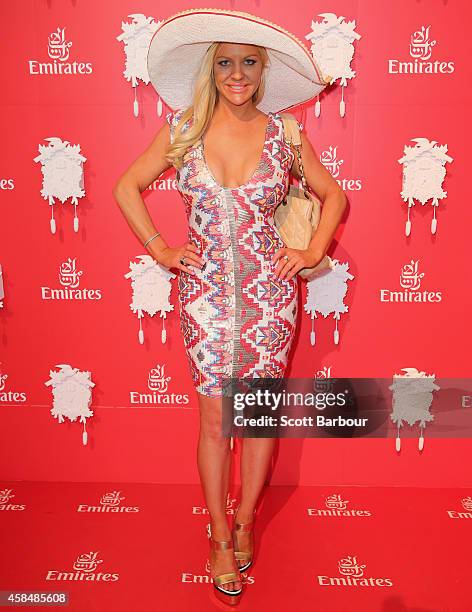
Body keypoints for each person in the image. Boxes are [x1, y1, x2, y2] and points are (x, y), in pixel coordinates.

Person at [113, 8, 347, 606]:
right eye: (224, 62)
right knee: (217, 421)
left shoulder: (285, 135)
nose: (236, 74)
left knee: (259, 417)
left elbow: (333, 193)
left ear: (262, 70)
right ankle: (219, 535)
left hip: (271, 300)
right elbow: (125, 186)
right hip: (206, 298)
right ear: (210, 69)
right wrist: (160, 248)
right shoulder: (183, 130)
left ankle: (246, 520)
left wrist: (313, 248)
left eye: (247, 62)